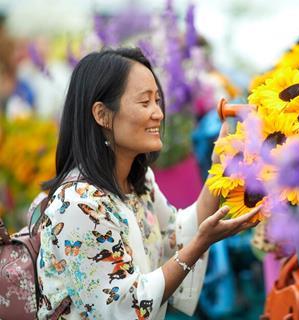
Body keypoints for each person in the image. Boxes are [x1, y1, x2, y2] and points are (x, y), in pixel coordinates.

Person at [36, 47, 260, 319]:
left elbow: (176, 234)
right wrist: (201, 242)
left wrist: (219, 170)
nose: (159, 113)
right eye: (145, 103)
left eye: (157, 100)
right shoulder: (78, 205)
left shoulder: (138, 183)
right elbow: (127, 306)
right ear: (102, 115)